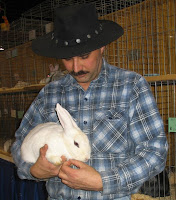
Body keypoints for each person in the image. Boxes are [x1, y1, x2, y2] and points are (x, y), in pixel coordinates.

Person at [11, 3, 168, 200]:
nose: (76, 67)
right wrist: (33, 169)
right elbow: (20, 142)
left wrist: (103, 181)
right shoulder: (49, 94)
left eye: (84, 56)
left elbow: (155, 151)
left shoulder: (131, 86)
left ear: (102, 46)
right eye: (67, 59)